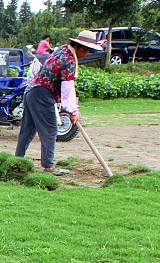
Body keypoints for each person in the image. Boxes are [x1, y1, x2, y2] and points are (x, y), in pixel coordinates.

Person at [15, 30, 103, 175]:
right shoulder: (69, 60)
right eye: (86, 51)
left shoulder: (62, 50)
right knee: (50, 130)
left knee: (28, 129)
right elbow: (67, 87)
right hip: (42, 93)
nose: (86, 54)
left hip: (32, 91)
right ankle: (48, 166)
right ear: (79, 47)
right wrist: (73, 112)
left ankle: (17, 160)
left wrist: (72, 109)